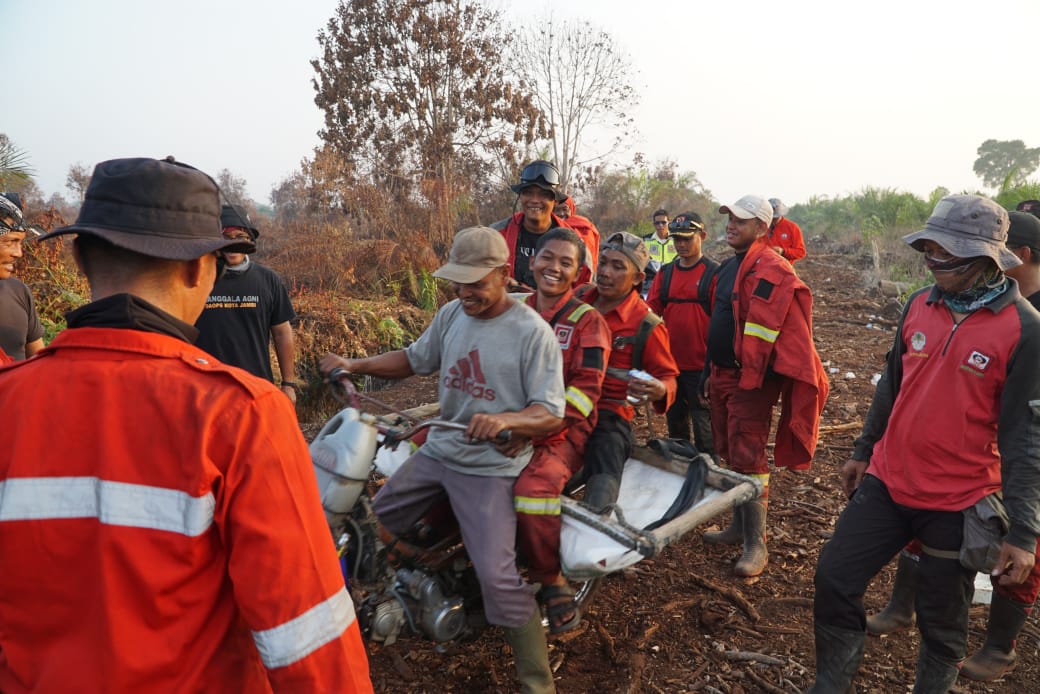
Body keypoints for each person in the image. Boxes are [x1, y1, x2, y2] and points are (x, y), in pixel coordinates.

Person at [0, 157, 372, 692]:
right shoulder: (243, 415)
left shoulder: (10, 400)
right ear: (201, 269)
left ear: (79, 257)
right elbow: (309, 643)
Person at [808, 195, 1040, 693]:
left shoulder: (1025, 330)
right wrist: (863, 450)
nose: (933, 262)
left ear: (985, 258)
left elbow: (1024, 438)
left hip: (958, 501)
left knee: (942, 619)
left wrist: (1023, 532)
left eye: (946, 253)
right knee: (834, 577)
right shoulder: (919, 303)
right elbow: (892, 385)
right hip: (888, 481)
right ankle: (831, 683)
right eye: (929, 250)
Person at [320, 225, 566, 694]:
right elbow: (414, 359)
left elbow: (550, 412)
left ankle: (538, 684)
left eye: (476, 283)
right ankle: (385, 605)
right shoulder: (453, 314)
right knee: (368, 527)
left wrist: (507, 420)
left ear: (504, 275)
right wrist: (355, 365)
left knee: (498, 578)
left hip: (489, 468)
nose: (464, 292)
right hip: (439, 450)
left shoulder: (532, 333)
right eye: (458, 282)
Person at [701, 195, 828, 578]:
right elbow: (720, 319)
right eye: (729, 218)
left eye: (740, 220)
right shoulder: (729, 267)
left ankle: (757, 544)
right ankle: (738, 527)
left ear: (762, 227)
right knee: (730, 449)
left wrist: (751, 378)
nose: (731, 225)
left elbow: (772, 333)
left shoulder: (774, 268)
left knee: (749, 453)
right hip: (723, 373)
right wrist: (710, 369)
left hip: (750, 379)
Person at [513, 227, 611, 634]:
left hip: (563, 434)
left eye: (566, 262)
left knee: (532, 491)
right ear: (532, 261)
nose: (554, 268)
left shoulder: (589, 323)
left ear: (579, 273)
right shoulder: (513, 311)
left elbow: (585, 394)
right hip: (508, 422)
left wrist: (531, 431)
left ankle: (551, 579)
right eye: (547, 258)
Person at [577, 231, 679, 512]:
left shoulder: (646, 325)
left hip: (608, 413)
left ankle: (597, 518)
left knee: (607, 455)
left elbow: (669, 378)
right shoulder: (579, 299)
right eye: (603, 262)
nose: (605, 272)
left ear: (637, 278)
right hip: (563, 403)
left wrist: (659, 389)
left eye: (618, 266)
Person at [194, 204, 298, 405]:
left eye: (239, 236)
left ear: (249, 239)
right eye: (226, 237)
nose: (233, 244)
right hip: (206, 391)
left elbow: (282, 332)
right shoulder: (197, 278)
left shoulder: (268, 280)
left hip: (256, 390)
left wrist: (288, 384)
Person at [646, 212, 718, 456]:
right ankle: (679, 472)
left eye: (687, 238)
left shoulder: (714, 274)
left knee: (705, 431)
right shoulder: (665, 274)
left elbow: (723, 324)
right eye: (677, 239)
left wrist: (714, 369)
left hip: (702, 368)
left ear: (702, 236)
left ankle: (709, 473)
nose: (681, 244)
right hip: (671, 366)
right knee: (676, 429)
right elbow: (650, 313)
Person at [493, 160, 588, 290]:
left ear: (555, 201)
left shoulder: (574, 243)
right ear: (520, 196)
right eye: (528, 193)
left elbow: (582, 289)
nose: (535, 200)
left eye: (544, 194)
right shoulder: (498, 235)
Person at [0, 192, 44, 360]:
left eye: (19, 242)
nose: (18, 253)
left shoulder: (18, 292)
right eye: (10, 242)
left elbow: (38, 365)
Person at [554, 195, 601, 273]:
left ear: (571, 209)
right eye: (556, 210)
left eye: (565, 209)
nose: (561, 213)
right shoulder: (548, 227)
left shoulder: (584, 226)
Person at [641, 208, 677, 296]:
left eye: (663, 222)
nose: (660, 225)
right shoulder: (645, 240)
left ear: (669, 222)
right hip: (650, 283)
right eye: (657, 223)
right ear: (654, 224)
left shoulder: (677, 240)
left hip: (672, 280)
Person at [766, 198, 806, 263]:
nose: (772, 220)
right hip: (763, 266)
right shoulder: (761, 227)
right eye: (770, 217)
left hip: (783, 266)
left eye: (775, 218)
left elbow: (800, 252)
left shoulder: (792, 228)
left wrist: (783, 251)